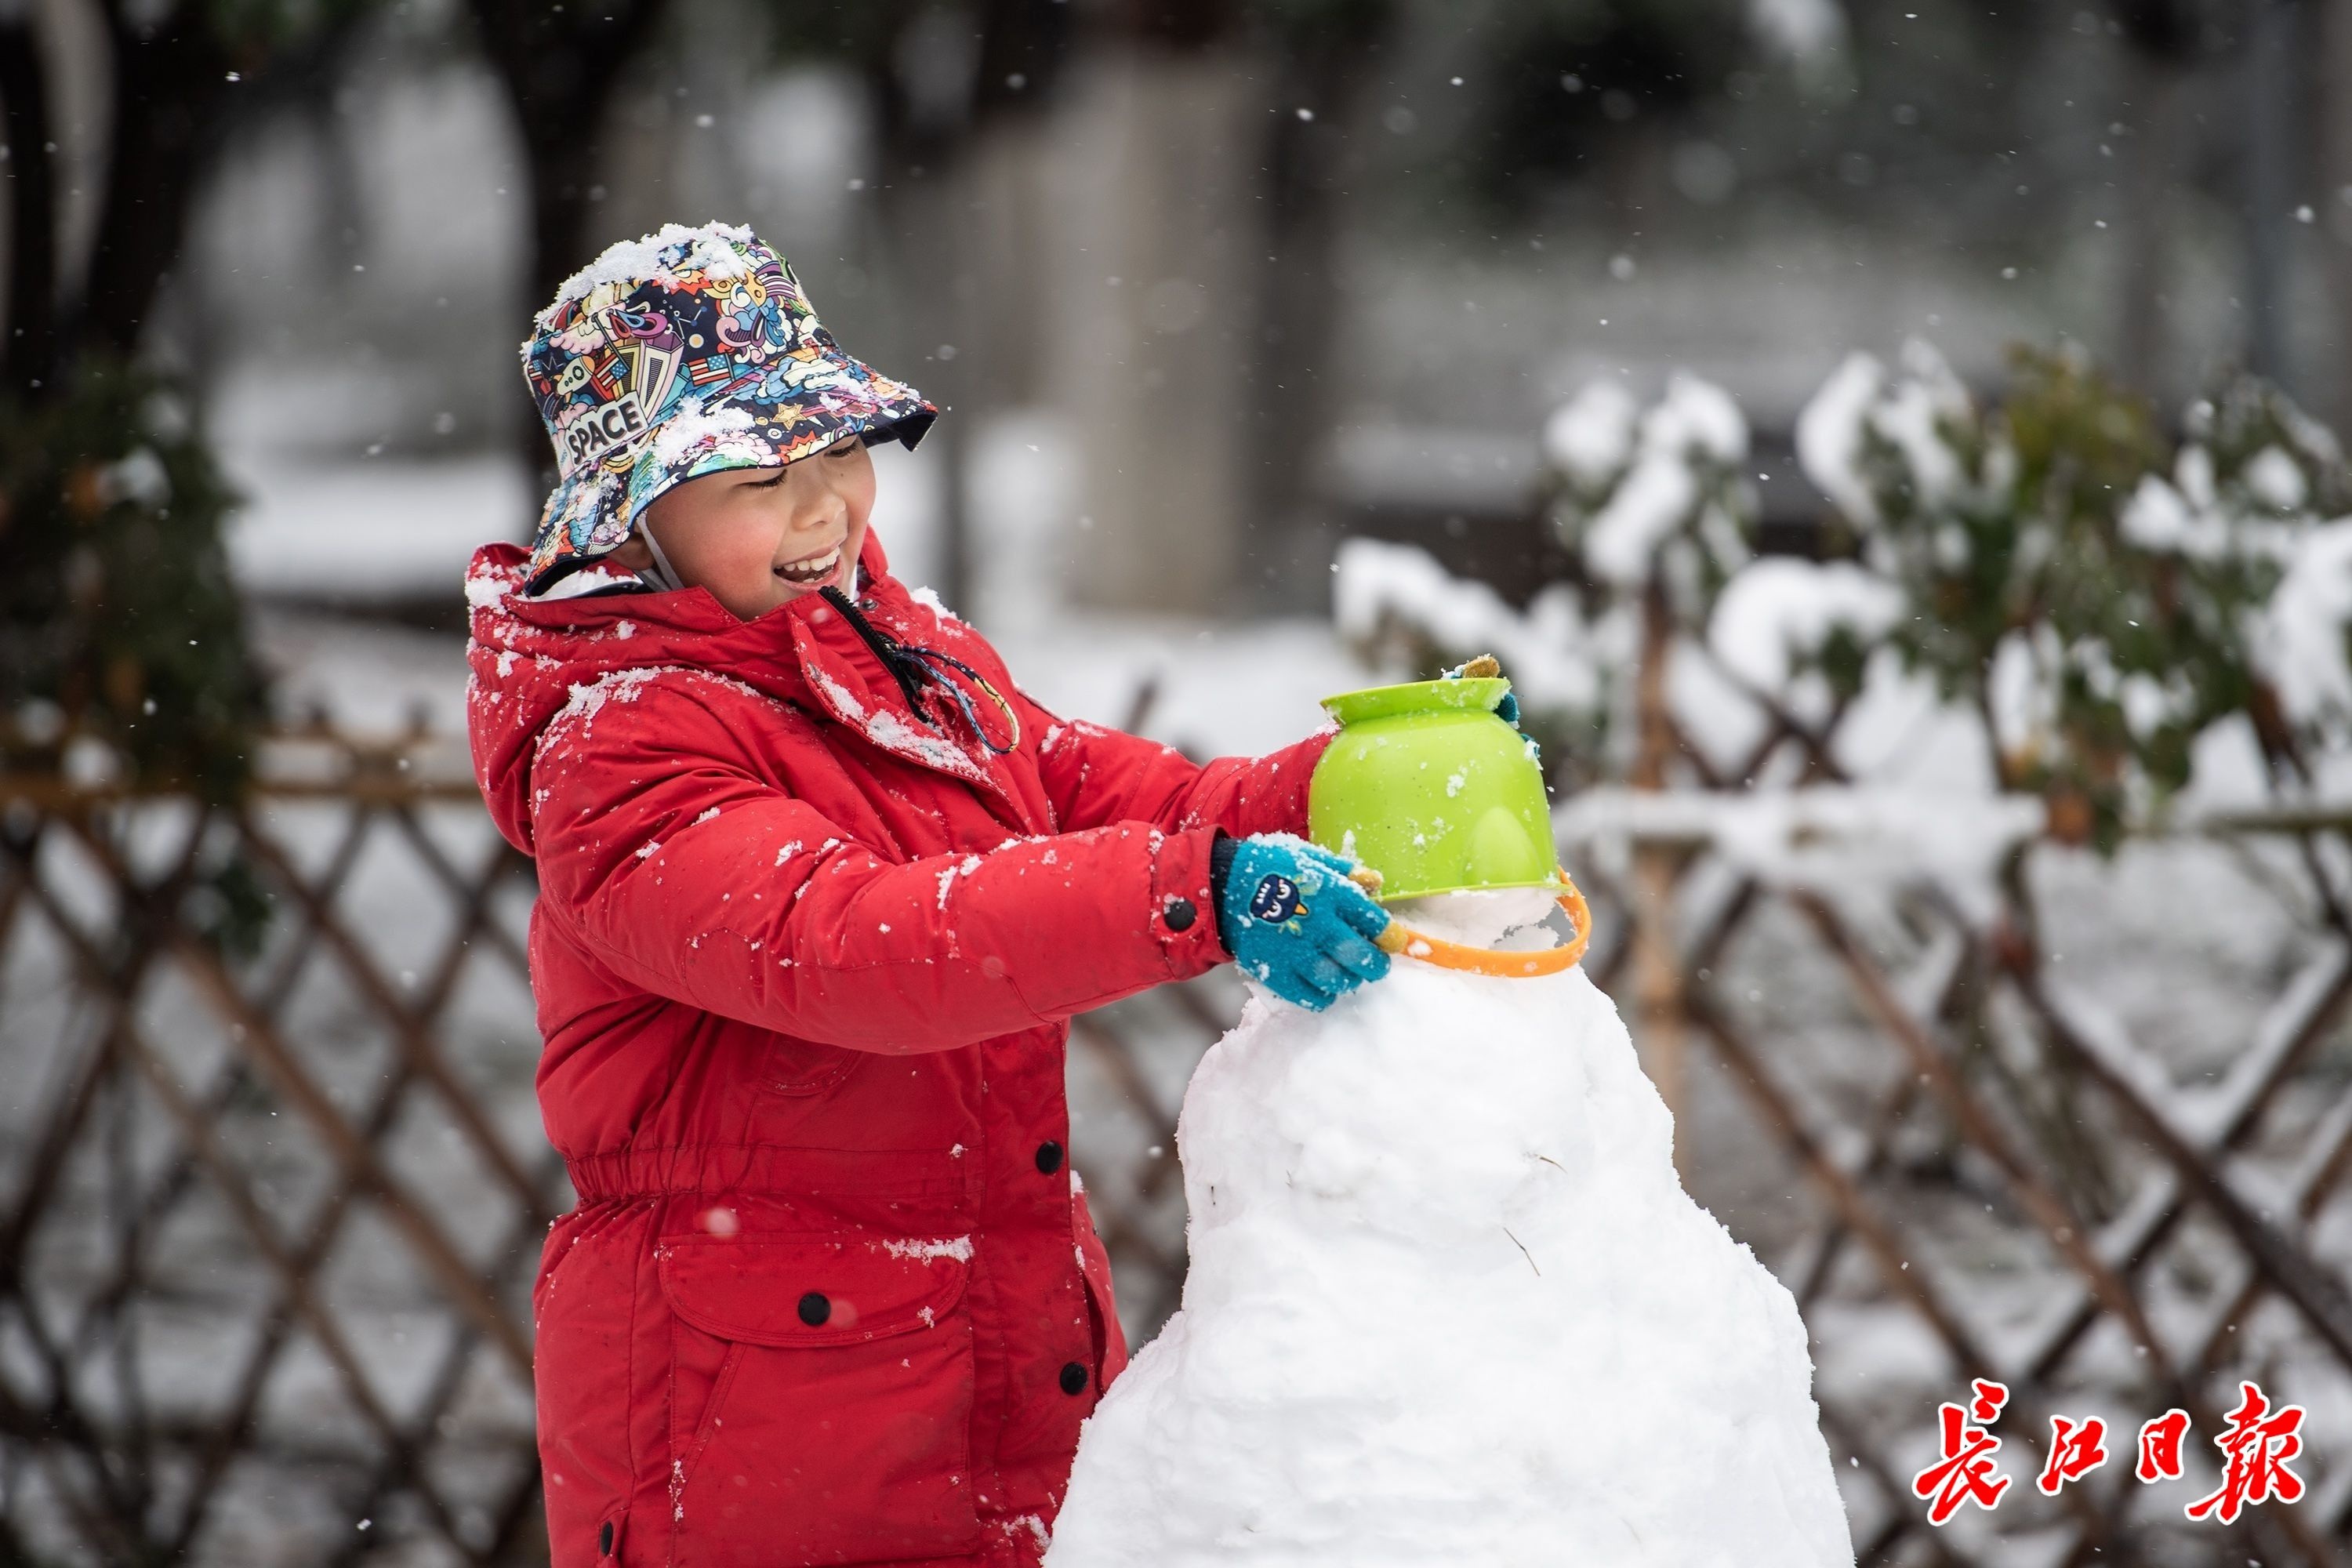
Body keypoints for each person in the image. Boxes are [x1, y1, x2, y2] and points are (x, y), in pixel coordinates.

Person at [463, 222, 1392, 1568]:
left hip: (995, 1358)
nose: (824, 508)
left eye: (838, 453)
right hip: (749, 1424)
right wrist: (1194, 894)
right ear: (632, 513)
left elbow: (1093, 792)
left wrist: (1354, 790)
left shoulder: (911, 663)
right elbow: (844, 944)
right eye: (755, 477)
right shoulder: (618, 746)